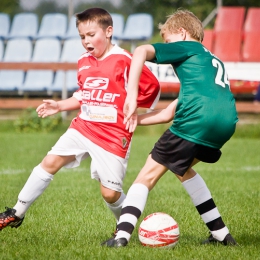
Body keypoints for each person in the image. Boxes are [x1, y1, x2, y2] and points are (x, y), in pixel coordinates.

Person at [0, 8, 160, 232]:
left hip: (113, 134)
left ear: (109, 31)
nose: (86, 41)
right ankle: (16, 212)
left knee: (110, 193)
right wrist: (59, 105)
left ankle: (124, 225)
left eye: (92, 35)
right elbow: (83, 94)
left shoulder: (125, 60)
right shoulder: (83, 61)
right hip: (83, 127)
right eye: (82, 37)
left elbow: (153, 86)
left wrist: (133, 106)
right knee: (50, 162)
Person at [102, 9, 238, 248]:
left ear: (183, 33)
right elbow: (167, 114)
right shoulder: (206, 61)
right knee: (182, 169)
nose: (167, 47)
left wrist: (131, 97)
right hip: (224, 123)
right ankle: (221, 235)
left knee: (146, 176)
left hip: (198, 119)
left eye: (168, 41)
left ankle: (121, 237)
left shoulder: (188, 47)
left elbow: (141, 51)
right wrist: (131, 119)